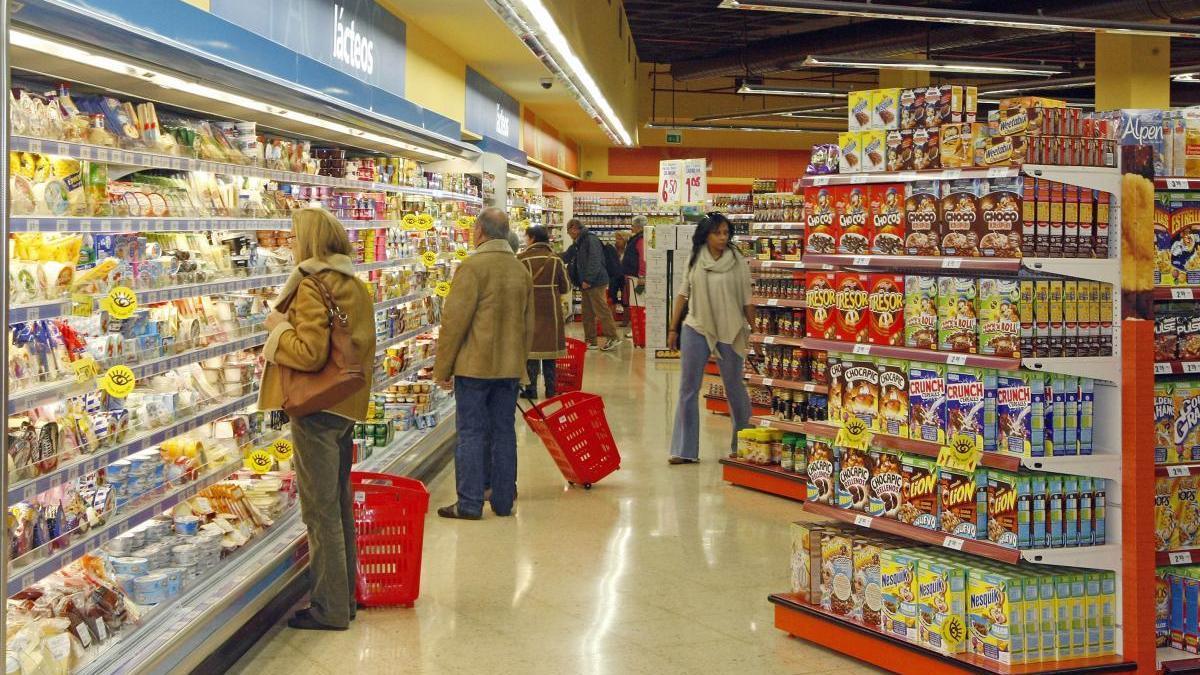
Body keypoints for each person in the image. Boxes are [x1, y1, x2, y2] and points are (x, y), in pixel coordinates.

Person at [258, 207, 376, 630]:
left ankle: (328, 608)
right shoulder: (353, 283)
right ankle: (344, 598)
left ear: (308, 241)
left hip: (316, 408)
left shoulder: (312, 285)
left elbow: (309, 353)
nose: (290, 242)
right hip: (345, 403)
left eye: (293, 236)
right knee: (338, 503)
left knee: (319, 510)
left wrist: (276, 329)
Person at [433, 207, 534, 519]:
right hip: (508, 369)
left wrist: (443, 369)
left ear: (480, 232)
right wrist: (521, 366)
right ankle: (504, 502)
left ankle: (469, 503)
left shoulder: (472, 267)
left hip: (474, 368)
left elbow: (454, 323)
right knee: (504, 432)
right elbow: (528, 325)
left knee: (472, 433)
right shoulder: (521, 270)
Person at [666, 212, 754, 465]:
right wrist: (673, 329)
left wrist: (755, 329)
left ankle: (743, 444)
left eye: (726, 232)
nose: (723, 237)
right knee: (687, 389)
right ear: (706, 234)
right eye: (718, 233)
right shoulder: (695, 258)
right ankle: (684, 450)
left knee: (734, 387)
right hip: (696, 325)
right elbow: (683, 293)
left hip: (731, 328)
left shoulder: (737, 260)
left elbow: (747, 299)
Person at [517, 225, 571, 399]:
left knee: (531, 351)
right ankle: (550, 389)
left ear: (532, 238)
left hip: (529, 310)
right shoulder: (555, 260)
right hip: (551, 312)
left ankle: (531, 389)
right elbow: (566, 287)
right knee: (550, 353)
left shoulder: (522, 260)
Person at [565, 218, 620, 351]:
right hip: (586, 283)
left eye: (568, 231)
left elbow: (595, 261)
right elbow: (567, 255)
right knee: (587, 312)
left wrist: (588, 280)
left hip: (596, 282)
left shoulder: (590, 239)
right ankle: (591, 341)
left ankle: (613, 337)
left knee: (601, 310)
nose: (568, 234)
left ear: (574, 228)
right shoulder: (578, 242)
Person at [610, 230, 630, 325]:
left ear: (625, 239)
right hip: (614, 276)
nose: (617, 240)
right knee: (612, 297)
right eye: (616, 238)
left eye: (619, 238)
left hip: (625, 276)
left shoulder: (629, 250)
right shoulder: (613, 249)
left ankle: (625, 320)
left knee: (625, 299)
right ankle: (611, 321)